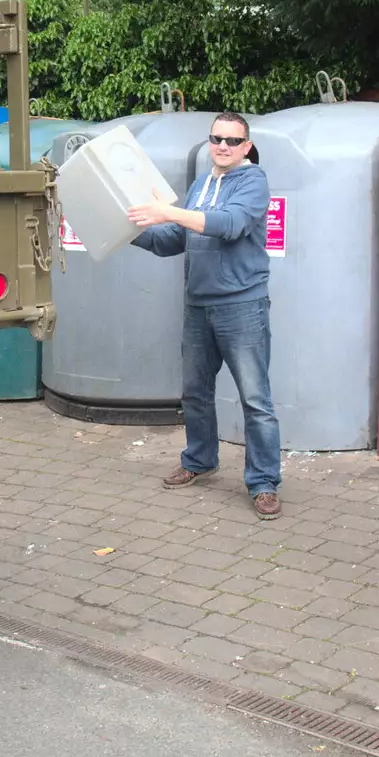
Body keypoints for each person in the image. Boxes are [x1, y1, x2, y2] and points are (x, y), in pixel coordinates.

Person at [127, 113, 283, 520]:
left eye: (233, 140)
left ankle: (263, 481)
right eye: (217, 138)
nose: (224, 146)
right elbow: (171, 241)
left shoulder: (253, 181)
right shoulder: (200, 185)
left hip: (242, 306)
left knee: (255, 400)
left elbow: (229, 225)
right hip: (198, 306)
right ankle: (200, 460)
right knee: (195, 393)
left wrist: (169, 212)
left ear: (246, 146)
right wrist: (126, 229)